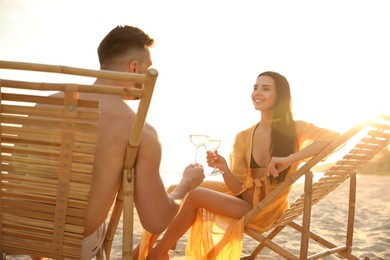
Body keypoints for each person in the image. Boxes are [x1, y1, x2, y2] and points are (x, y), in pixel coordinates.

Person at [141, 71, 340, 259]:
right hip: (244, 199)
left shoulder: (295, 128)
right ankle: (147, 248)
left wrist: (290, 158)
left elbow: (334, 138)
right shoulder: (244, 137)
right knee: (177, 189)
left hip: (264, 209)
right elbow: (236, 187)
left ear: (280, 95)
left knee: (195, 195)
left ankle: (157, 254)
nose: (257, 93)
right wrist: (224, 168)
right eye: (255, 87)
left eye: (265, 88)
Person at [60, 25, 204, 259]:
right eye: (147, 67)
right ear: (134, 67)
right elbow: (156, 220)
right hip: (74, 242)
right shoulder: (138, 131)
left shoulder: (46, 104)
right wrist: (186, 183)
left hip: (15, 229)